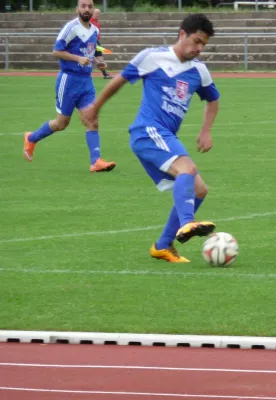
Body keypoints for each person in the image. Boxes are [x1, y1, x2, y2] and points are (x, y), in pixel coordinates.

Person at [85, 13, 220, 263]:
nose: (200, 49)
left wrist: (206, 130)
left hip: (165, 135)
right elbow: (119, 81)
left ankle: (162, 246)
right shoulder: (152, 56)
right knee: (187, 170)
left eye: (204, 45)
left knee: (200, 190)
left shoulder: (199, 71)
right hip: (147, 131)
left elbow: (213, 99)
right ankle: (187, 223)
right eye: (197, 41)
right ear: (182, 35)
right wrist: (95, 107)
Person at [23, 0, 116, 173]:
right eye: (83, 6)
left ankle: (96, 162)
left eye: (90, 6)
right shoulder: (70, 27)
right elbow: (56, 51)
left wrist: (99, 62)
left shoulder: (94, 30)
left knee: (92, 120)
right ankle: (32, 138)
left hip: (86, 82)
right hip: (69, 80)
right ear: (77, 9)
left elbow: (93, 49)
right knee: (61, 123)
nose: (87, 9)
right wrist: (77, 59)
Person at [90, 8, 113, 79]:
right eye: (96, 13)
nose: (98, 15)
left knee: (100, 58)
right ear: (92, 13)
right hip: (91, 41)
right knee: (90, 56)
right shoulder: (89, 22)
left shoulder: (97, 22)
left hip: (97, 41)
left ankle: (105, 74)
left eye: (99, 14)